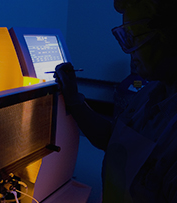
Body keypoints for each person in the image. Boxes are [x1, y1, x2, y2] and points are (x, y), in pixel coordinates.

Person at [54, 0, 177, 202]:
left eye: (134, 36)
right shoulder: (152, 91)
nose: (129, 51)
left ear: (169, 35)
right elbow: (116, 140)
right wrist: (74, 100)